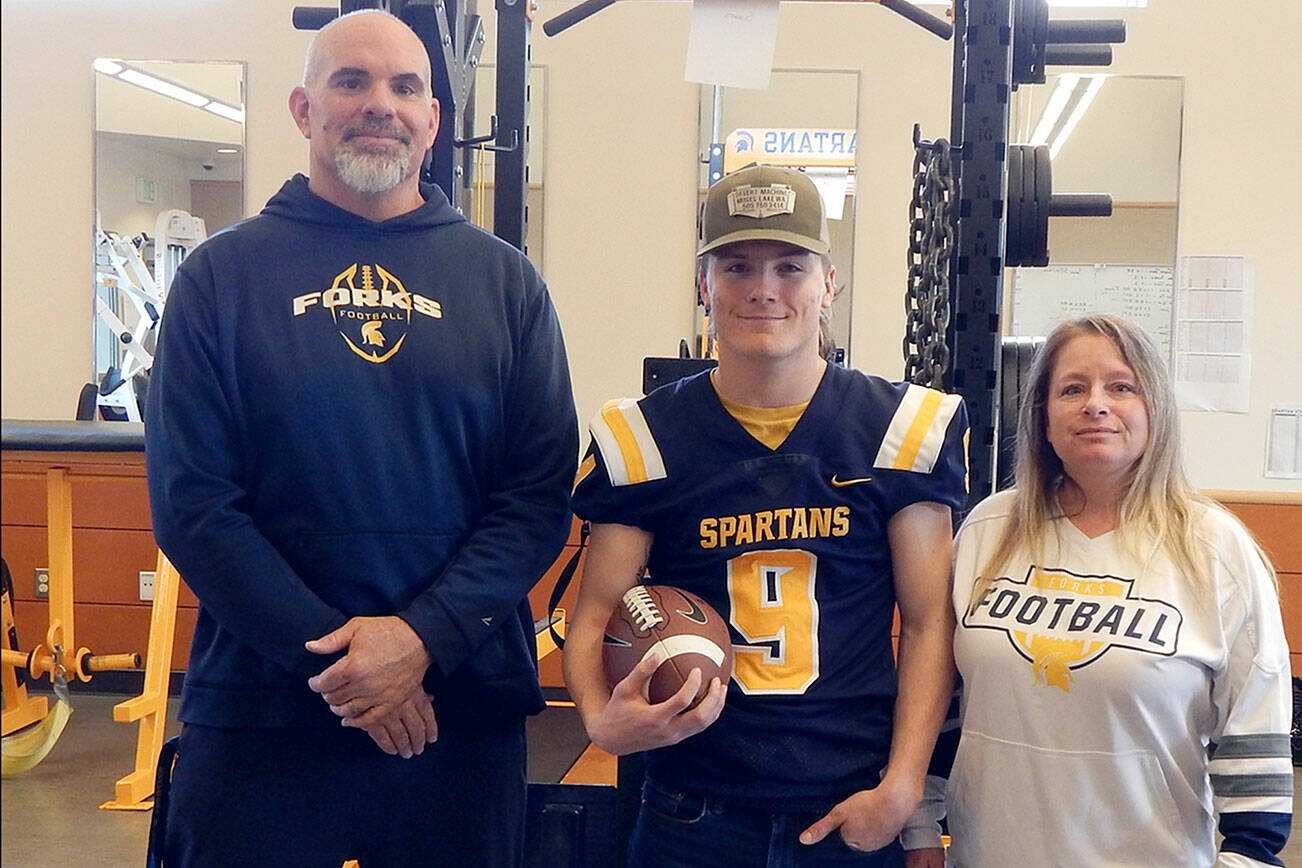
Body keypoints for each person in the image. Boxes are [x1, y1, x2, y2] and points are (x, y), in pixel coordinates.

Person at [144, 10, 577, 866]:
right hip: (264, 707)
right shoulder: (218, 280)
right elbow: (195, 505)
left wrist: (421, 643)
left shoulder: (505, 284)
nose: (381, 103)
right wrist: (349, 672)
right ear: (305, 110)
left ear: (433, 120)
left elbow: (534, 498)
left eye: (404, 86)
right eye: (352, 82)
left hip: (455, 708)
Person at [562, 164, 969, 867]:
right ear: (704, 286)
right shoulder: (645, 436)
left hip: (847, 805)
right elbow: (595, 610)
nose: (763, 289)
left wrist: (904, 788)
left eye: (789, 266)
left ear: (827, 283)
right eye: (737, 266)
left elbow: (931, 623)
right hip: (694, 809)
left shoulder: (902, 426)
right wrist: (602, 721)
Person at [942, 315, 1292, 866]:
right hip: (989, 852)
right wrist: (920, 821)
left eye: (1121, 386)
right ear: (1044, 417)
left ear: (1153, 409)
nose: (1095, 404)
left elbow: (1255, 726)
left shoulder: (1214, 547)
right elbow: (945, 700)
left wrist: (1248, 858)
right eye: (1073, 389)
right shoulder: (988, 530)